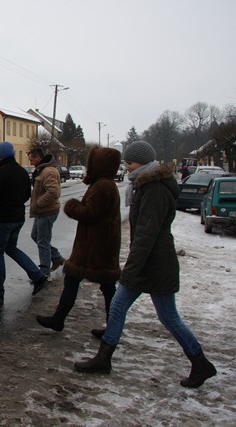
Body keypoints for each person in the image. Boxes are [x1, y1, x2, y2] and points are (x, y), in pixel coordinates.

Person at [74, 141, 217, 389]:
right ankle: (104, 359)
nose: (127, 166)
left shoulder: (154, 189)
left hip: (155, 264)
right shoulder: (145, 185)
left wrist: (131, 267)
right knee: (119, 307)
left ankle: (200, 362)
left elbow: (146, 235)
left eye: (130, 162)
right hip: (149, 262)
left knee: (168, 317)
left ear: (143, 162)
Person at [36, 147, 121, 335]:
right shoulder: (104, 184)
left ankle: (112, 328)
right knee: (76, 280)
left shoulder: (102, 186)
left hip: (96, 247)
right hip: (96, 245)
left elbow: (89, 213)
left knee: (106, 288)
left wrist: (73, 206)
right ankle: (59, 318)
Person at [0, 141, 47, 300]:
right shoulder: (21, 172)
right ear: (13, 154)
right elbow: (27, 194)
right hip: (18, 217)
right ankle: (37, 275)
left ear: (0, 155)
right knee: (11, 248)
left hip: (3, 219)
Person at [28, 148, 65, 277]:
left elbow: (54, 192)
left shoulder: (48, 171)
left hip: (47, 211)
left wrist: (39, 203)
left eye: (32, 160)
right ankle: (56, 257)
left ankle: (44, 272)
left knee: (42, 241)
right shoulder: (44, 170)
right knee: (36, 236)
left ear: (38, 157)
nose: (31, 163)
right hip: (42, 211)